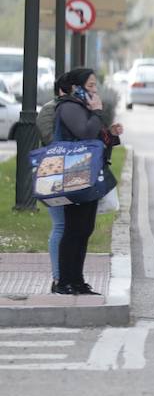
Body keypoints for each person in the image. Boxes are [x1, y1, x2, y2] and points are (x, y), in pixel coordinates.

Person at [52, 68, 123, 296]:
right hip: (74, 175)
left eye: (95, 85)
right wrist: (99, 113)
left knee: (84, 228)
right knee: (74, 228)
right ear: (76, 87)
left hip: (86, 174)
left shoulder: (83, 108)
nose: (94, 90)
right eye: (90, 86)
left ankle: (78, 280)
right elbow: (84, 134)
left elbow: (94, 138)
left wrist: (110, 134)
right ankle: (65, 281)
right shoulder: (69, 107)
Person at [37, 81, 71, 293]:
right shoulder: (51, 109)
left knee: (67, 226)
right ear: (62, 90)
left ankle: (64, 276)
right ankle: (58, 277)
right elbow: (49, 140)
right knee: (59, 225)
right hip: (54, 174)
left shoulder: (65, 108)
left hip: (64, 172)